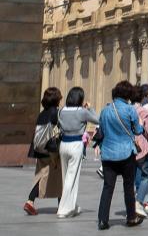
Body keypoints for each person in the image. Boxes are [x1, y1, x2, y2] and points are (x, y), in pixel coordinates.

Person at [96, 81, 145, 229]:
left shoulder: (105, 110)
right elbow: (138, 131)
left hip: (108, 154)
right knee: (128, 187)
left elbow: (101, 131)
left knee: (107, 187)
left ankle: (103, 220)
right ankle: (131, 218)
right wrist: (141, 125)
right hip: (126, 153)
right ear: (128, 94)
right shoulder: (130, 109)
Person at [57, 86, 99, 218]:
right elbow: (97, 119)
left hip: (63, 144)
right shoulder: (82, 111)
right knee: (72, 177)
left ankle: (72, 206)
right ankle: (64, 209)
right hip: (75, 144)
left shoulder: (62, 110)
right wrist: (90, 108)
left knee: (65, 177)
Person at [24, 87, 63, 216]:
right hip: (51, 149)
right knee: (60, 176)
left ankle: (30, 201)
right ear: (56, 99)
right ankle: (62, 205)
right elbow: (61, 128)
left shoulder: (42, 113)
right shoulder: (55, 113)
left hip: (39, 149)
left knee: (41, 174)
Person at [131, 86, 148, 217]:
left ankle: (131, 205)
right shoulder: (144, 113)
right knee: (147, 175)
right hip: (141, 149)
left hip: (127, 148)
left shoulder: (125, 111)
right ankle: (138, 202)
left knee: (133, 178)